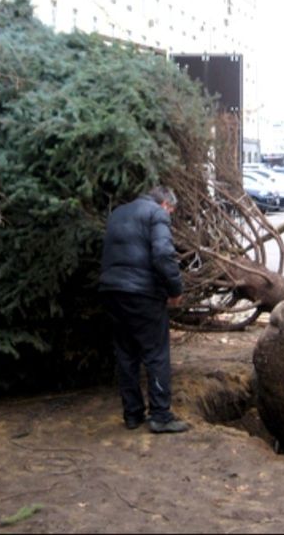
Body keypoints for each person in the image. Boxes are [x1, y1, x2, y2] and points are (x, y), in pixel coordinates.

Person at [99, 186, 190, 434]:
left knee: (126, 354)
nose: (170, 216)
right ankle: (160, 415)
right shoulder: (156, 214)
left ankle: (132, 414)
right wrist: (175, 290)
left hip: (111, 291)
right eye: (171, 211)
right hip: (142, 294)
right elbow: (162, 255)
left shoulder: (118, 213)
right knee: (156, 353)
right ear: (165, 205)